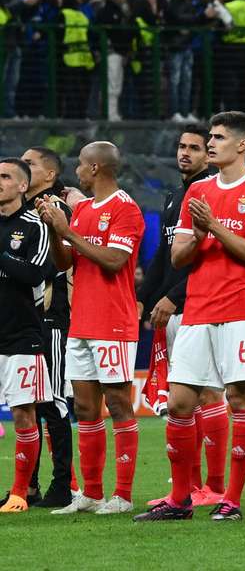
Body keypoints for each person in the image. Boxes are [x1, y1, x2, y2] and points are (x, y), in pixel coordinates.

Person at [133, 111, 245, 522]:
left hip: (241, 310)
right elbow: (179, 257)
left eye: (217, 137)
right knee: (180, 403)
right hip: (197, 309)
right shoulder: (197, 191)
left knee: (238, 397)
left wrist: (214, 226)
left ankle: (231, 499)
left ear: (242, 145)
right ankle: (180, 499)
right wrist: (199, 234)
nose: (210, 143)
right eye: (210, 137)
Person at [37, 142, 145, 516]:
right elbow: (66, 261)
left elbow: (114, 261)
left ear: (96, 168)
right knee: (84, 407)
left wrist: (68, 230)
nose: (77, 171)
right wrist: (55, 228)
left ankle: (124, 494)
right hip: (81, 320)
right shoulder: (82, 209)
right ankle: (92, 493)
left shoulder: (126, 209)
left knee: (117, 404)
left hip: (114, 321)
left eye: (81, 165)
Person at [140, 125, 228, 508]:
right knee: (184, 399)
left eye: (195, 147)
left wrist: (173, 298)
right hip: (175, 307)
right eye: (181, 146)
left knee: (208, 393)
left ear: (209, 155)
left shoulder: (211, 193)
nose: (186, 153)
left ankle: (216, 485)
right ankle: (191, 485)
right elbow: (163, 256)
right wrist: (146, 299)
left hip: (201, 305)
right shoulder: (177, 195)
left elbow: (206, 256)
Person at [21, 147, 75, 508]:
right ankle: (27, 486)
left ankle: (62, 485)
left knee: (52, 401)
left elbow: (57, 264)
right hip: (22, 320)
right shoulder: (17, 212)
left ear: (50, 174)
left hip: (52, 318)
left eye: (29, 165)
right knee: (29, 403)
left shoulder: (57, 211)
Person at [0, 158, 53, 514]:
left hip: (21, 335)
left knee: (23, 414)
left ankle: (20, 492)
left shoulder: (35, 225)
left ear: (22, 186)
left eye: (5, 177)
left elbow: (38, 274)